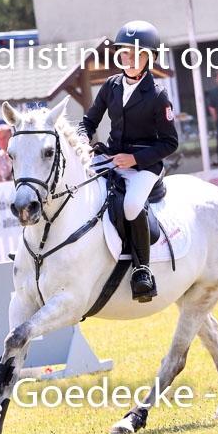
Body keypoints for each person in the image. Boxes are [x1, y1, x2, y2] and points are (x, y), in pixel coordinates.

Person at [79, 19, 178, 302]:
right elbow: (88, 121)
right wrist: (84, 141)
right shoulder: (111, 86)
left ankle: (141, 271)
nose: (129, 59)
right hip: (110, 157)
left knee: (132, 205)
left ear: (150, 58)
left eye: (136, 54)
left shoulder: (158, 96)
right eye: (124, 53)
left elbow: (170, 143)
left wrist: (133, 158)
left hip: (145, 164)